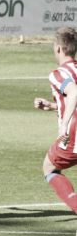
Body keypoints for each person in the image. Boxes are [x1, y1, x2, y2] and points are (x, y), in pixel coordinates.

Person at [34, 27, 77, 213]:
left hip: (73, 135)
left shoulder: (57, 73)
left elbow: (74, 91)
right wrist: (53, 106)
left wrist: (64, 126)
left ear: (58, 48)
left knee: (49, 168)